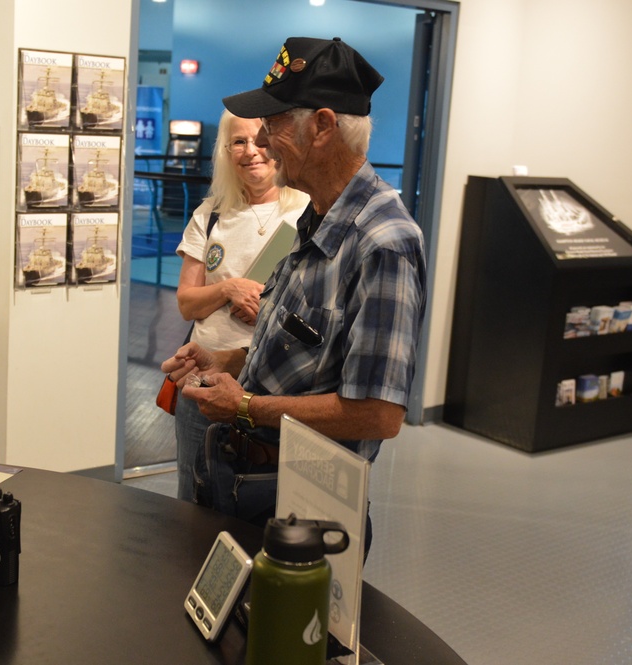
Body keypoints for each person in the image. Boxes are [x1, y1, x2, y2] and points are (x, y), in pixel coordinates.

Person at [161, 37, 427, 554]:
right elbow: (296, 349)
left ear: (323, 127)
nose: (262, 139)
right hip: (252, 482)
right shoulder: (315, 220)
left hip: (308, 501)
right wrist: (226, 359)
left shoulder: (383, 244)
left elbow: (378, 414)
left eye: (276, 122)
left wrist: (244, 407)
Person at [173, 109, 309, 500]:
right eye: (238, 142)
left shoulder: (308, 215)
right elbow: (186, 303)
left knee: (264, 500)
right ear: (226, 151)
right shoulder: (211, 214)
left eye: (259, 139)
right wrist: (228, 289)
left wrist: (265, 312)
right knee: (193, 494)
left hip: (271, 386)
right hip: (202, 381)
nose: (251, 151)